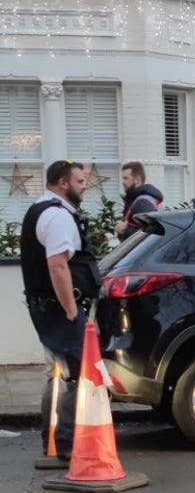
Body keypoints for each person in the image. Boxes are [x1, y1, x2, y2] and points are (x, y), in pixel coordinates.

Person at [22, 159, 101, 466]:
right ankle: (67, 442)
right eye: (80, 182)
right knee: (77, 373)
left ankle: (53, 440)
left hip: (44, 306)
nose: (84, 187)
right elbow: (57, 265)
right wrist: (71, 309)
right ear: (63, 183)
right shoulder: (57, 216)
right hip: (58, 308)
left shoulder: (39, 209)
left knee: (58, 372)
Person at [116, 161, 163, 240]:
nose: (123, 182)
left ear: (137, 180)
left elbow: (150, 236)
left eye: (126, 178)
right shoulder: (137, 199)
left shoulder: (143, 203)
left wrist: (124, 231)